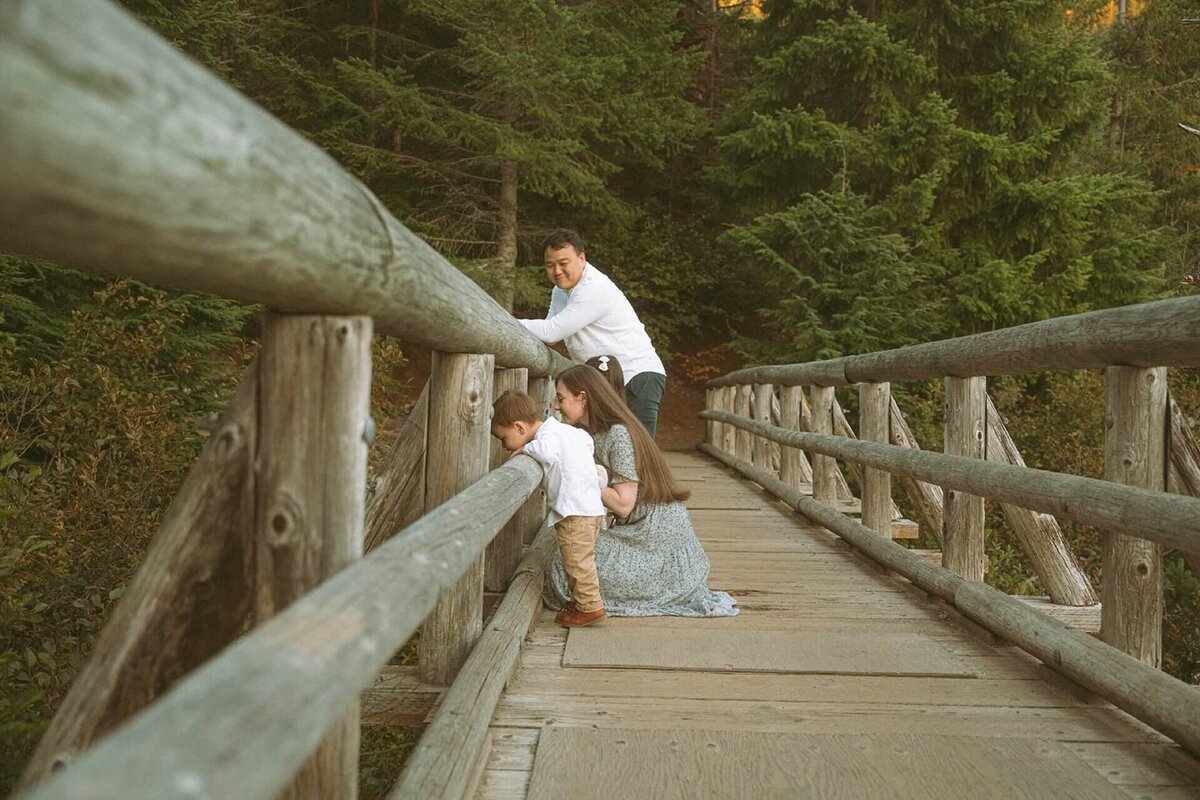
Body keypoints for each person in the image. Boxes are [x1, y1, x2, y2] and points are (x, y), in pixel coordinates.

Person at [545, 364, 738, 618]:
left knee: (562, 566)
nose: (556, 406)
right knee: (566, 556)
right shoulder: (598, 433)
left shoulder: (618, 435)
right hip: (639, 535)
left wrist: (583, 474)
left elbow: (623, 504)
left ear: (583, 398)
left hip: (658, 546)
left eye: (560, 398)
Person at [519, 229, 668, 437]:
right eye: (550, 265)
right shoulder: (560, 291)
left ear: (581, 258)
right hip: (607, 380)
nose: (557, 271)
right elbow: (550, 326)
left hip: (636, 376)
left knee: (638, 455)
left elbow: (552, 332)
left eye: (563, 263)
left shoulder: (593, 288)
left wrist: (505, 321)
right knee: (605, 450)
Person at [491, 390, 608, 627]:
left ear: (520, 428)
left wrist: (525, 450)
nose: (504, 447)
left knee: (577, 562)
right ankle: (581, 602)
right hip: (590, 507)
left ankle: (589, 607)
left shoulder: (545, 439)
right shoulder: (567, 431)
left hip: (575, 510)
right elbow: (588, 442)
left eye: (504, 439)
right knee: (579, 559)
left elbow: (545, 451)